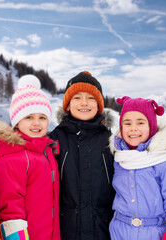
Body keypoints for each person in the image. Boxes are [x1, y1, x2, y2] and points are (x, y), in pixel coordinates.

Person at [0, 75, 60, 240]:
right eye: (29, 117)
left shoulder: (46, 152)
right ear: (17, 122)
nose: (37, 123)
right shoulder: (12, 158)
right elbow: (9, 211)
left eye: (42, 117)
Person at [109, 96, 166, 240]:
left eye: (140, 122)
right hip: (118, 231)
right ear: (121, 128)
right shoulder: (118, 159)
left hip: (153, 233)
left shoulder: (164, 162)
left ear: (151, 126)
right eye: (127, 123)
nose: (133, 128)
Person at [48, 71, 116, 240]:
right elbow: (23, 154)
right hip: (65, 231)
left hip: (102, 230)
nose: (84, 103)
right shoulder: (54, 140)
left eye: (91, 98)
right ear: (68, 105)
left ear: (99, 105)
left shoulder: (111, 140)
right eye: (77, 97)